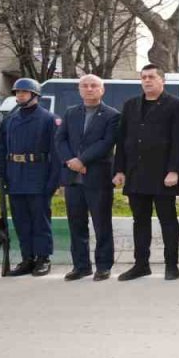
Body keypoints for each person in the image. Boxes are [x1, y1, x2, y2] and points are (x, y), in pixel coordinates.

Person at [114, 64, 179, 281]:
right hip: (136, 173)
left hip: (163, 174)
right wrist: (119, 169)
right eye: (144, 77)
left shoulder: (176, 106)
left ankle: (171, 265)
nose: (147, 81)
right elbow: (122, 139)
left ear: (162, 81)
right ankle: (141, 264)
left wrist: (174, 170)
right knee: (140, 221)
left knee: (168, 220)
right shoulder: (130, 105)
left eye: (152, 77)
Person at [55, 75, 119, 281]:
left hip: (98, 177)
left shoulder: (112, 115)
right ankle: (81, 266)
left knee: (101, 224)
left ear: (102, 89)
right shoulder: (71, 113)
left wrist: (82, 160)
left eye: (94, 86)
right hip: (73, 179)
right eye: (85, 86)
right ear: (79, 89)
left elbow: (106, 143)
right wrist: (70, 161)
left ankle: (103, 265)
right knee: (76, 224)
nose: (89, 89)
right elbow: (60, 139)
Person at [0, 78, 61, 277]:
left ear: (35, 95)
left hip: (38, 175)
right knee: (21, 221)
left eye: (24, 92)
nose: (20, 95)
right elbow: (0, 150)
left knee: (40, 221)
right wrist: (0, 175)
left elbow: (56, 153)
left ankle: (43, 258)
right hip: (15, 176)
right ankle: (27, 258)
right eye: (17, 92)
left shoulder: (48, 119)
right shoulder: (10, 120)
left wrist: (54, 181)